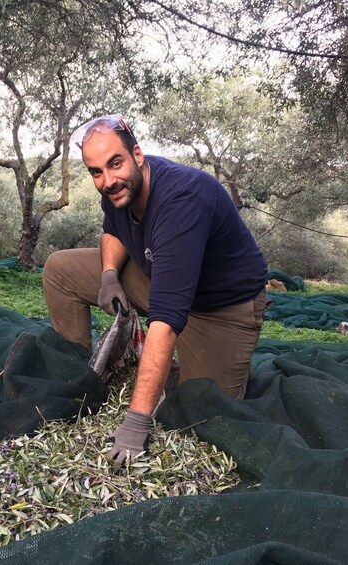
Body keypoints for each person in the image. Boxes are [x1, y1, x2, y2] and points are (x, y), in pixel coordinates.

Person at [43, 115, 267, 466]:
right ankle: (80, 379)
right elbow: (113, 229)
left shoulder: (181, 199)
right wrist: (109, 274)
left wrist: (135, 424)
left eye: (115, 164)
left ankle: (229, 359)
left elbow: (165, 320)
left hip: (220, 308)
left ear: (137, 154)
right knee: (60, 269)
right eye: (96, 171)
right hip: (156, 272)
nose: (107, 180)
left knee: (201, 413)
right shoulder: (116, 188)